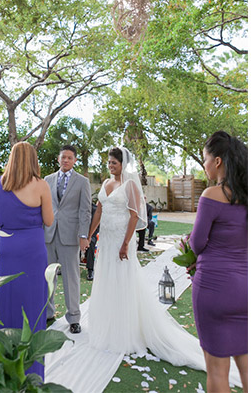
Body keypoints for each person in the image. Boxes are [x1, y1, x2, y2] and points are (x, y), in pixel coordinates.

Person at [85, 147, 213, 374]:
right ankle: (107, 326)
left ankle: (124, 332)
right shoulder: (105, 184)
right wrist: (89, 234)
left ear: (123, 164)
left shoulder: (130, 185)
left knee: (122, 282)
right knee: (106, 282)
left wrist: (125, 243)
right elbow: (99, 211)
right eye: (108, 162)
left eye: (114, 162)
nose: (110, 165)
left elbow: (135, 215)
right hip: (106, 240)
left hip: (121, 241)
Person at [0, 141, 54, 379]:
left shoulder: (0, 184)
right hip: (33, 250)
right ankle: (32, 373)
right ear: (33, 159)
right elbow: (48, 220)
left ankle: (4, 368)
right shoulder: (42, 185)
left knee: (7, 303)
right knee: (33, 306)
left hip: (7, 247)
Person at [190, 131, 248, 393]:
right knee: (249, 366)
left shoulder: (211, 195)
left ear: (218, 162)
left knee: (217, 371)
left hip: (214, 290)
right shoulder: (250, 196)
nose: (204, 165)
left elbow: (197, 243)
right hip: (246, 290)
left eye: (205, 159)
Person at [44, 145, 92, 334]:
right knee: (48, 276)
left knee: (71, 278)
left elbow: (85, 211)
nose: (66, 160)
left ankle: (74, 317)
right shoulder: (47, 180)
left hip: (71, 236)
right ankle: (48, 312)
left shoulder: (82, 182)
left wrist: (83, 236)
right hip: (48, 234)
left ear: (74, 161)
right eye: (63, 157)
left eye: (70, 158)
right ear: (58, 159)